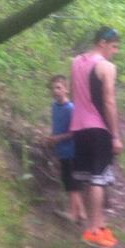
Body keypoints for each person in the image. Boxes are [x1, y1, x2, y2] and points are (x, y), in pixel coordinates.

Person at [69, 26, 124, 248]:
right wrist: (115, 135)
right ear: (102, 42)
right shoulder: (106, 67)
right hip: (99, 128)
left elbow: (74, 94)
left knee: (92, 178)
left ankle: (99, 227)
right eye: (114, 46)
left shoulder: (76, 62)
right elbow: (109, 101)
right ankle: (92, 231)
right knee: (98, 179)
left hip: (79, 126)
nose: (115, 51)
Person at [45, 75, 86, 226]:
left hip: (72, 152)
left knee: (71, 184)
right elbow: (56, 125)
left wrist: (57, 138)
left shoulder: (71, 108)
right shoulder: (54, 106)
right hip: (61, 151)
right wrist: (51, 138)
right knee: (69, 182)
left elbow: (75, 132)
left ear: (66, 89)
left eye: (59, 87)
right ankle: (81, 213)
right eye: (53, 88)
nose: (55, 91)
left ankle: (73, 214)